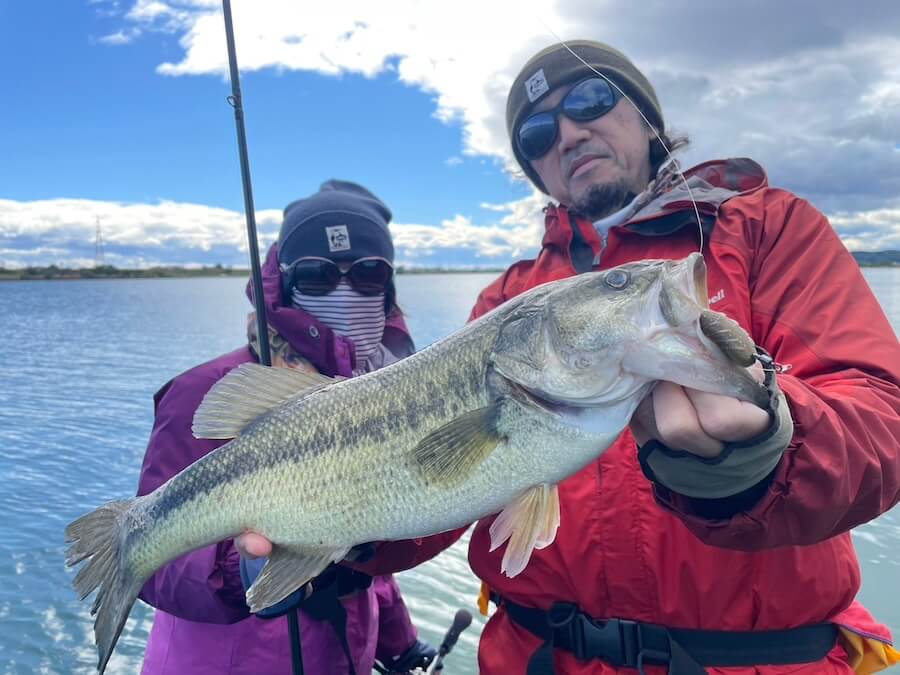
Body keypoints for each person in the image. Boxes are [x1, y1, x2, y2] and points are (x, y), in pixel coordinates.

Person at [451, 40, 900, 675]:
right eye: (538, 133)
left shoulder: (766, 229)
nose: (570, 134)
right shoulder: (506, 299)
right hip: (538, 657)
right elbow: (435, 485)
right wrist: (337, 535)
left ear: (645, 116)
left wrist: (769, 445)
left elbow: (885, 420)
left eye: (590, 99)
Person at [136, 179, 440, 674]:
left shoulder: (387, 390)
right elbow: (153, 557)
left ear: (388, 289)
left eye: (368, 274)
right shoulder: (204, 391)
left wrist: (399, 642)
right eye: (318, 274)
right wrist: (244, 572)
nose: (344, 290)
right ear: (287, 283)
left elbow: (372, 525)